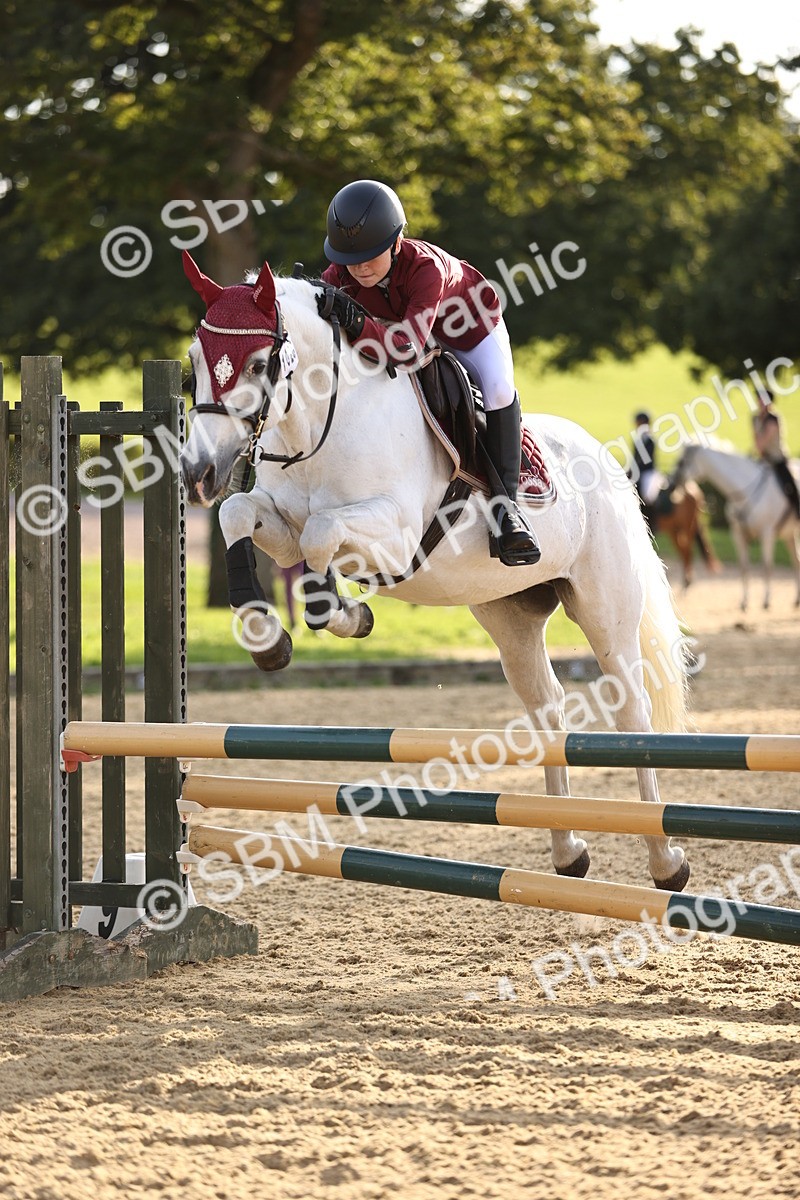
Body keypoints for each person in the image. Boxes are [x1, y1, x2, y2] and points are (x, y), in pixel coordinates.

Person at [316, 179, 541, 567]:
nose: (360, 267)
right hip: (407, 335)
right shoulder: (338, 276)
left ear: (396, 242)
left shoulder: (426, 269)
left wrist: (359, 325)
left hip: (469, 331)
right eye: (350, 258)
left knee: (499, 389)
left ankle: (508, 512)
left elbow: (405, 349)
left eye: (370, 255)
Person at [752, 392, 800, 518]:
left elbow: (762, 442)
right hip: (762, 459)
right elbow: (756, 442)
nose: (761, 403)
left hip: (777, 459)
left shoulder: (773, 419)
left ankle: (797, 510)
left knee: (789, 485)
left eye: (763, 400)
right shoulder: (755, 418)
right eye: (759, 399)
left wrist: (759, 449)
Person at [630, 411, 666, 511]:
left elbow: (645, 460)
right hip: (639, 471)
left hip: (648, 472)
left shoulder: (649, 440)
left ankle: (652, 515)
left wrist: (634, 469)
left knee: (648, 495)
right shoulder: (638, 439)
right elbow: (635, 458)